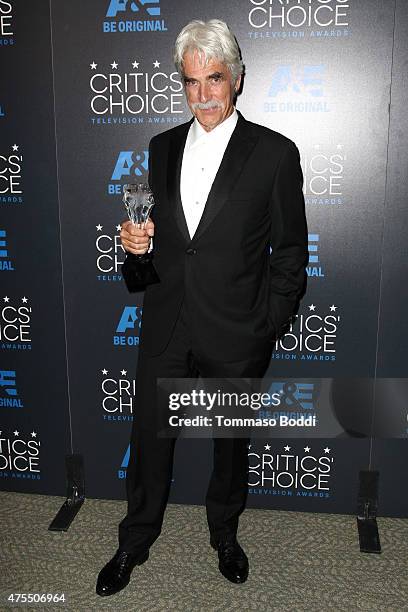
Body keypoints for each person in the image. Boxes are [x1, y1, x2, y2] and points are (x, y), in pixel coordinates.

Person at [96, 18, 308, 596]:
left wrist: (265, 327)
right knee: (149, 444)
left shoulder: (274, 153)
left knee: (230, 446)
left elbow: (289, 254)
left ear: (236, 80)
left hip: (236, 330)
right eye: (191, 82)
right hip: (167, 326)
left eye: (214, 79)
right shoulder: (159, 147)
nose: (203, 95)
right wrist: (133, 249)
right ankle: (133, 541)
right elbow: (143, 261)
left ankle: (225, 533)